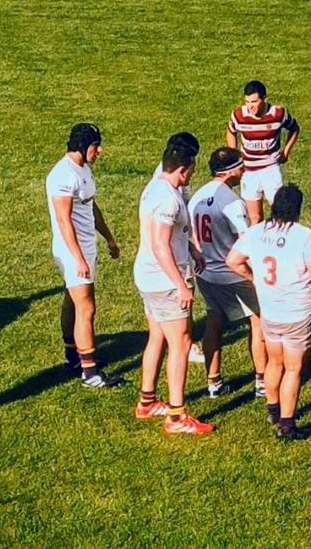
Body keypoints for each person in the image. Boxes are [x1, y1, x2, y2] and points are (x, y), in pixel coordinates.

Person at [226, 185, 311, 441]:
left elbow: (233, 260)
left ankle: (273, 409)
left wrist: (254, 278)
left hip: (269, 309)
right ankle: (287, 425)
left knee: (274, 362)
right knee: (293, 369)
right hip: (297, 311)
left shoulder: (256, 232)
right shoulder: (304, 236)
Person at [133, 144, 213, 435]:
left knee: (157, 336)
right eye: (192, 169)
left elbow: (168, 236)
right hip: (165, 281)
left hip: (146, 277)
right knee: (180, 343)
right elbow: (159, 244)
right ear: (183, 169)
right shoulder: (169, 200)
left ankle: (147, 401)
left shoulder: (153, 188)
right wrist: (181, 284)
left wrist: (192, 249)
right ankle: (177, 417)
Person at [46, 123, 124, 388]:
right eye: (95, 146)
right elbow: (63, 220)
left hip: (86, 248)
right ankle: (89, 372)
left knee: (73, 300)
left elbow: (91, 207)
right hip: (73, 250)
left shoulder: (83, 170)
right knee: (86, 307)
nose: (99, 151)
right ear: (82, 146)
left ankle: (73, 356)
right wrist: (78, 258)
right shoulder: (62, 176)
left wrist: (109, 238)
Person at [189, 148, 268, 400]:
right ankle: (262, 381)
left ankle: (213, 382)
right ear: (230, 171)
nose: (243, 170)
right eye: (240, 166)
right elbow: (247, 240)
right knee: (258, 321)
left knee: (214, 320)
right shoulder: (233, 203)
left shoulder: (197, 196)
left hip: (206, 271)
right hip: (233, 274)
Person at [226, 80, 300, 224]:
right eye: (247, 102)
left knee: (281, 214)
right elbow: (231, 131)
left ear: (265, 99)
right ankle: (258, 245)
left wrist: (286, 151)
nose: (250, 106)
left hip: (270, 169)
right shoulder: (239, 115)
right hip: (248, 172)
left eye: (254, 102)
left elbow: (294, 128)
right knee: (255, 218)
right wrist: (233, 153)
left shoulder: (278, 114)